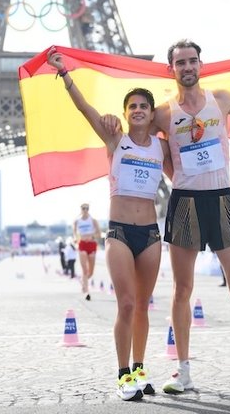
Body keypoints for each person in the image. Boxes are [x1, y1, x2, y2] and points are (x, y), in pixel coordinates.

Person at [101, 39, 230, 397]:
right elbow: (135, 135)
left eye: (192, 61)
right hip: (185, 201)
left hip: (221, 199)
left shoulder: (222, 100)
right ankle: (184, 371)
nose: (187, 67)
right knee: (182, 290)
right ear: (171, 70)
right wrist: (112, 122)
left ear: (201, 65)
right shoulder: (163, 114)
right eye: (180, 63)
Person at [47, 46, 172, 402]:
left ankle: (140, 367)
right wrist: (65, 75)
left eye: (143, 107)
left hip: (150, 233)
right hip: (118, 231)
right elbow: (86, 109)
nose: (137, 110)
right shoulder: (115, 139)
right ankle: (122, 373)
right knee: (127, 304)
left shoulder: (161, 149)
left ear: (151, 114)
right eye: (131, 106)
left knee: (144, 306)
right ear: (125, 113)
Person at [73, 202, 101, 301]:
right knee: (84, 270)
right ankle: (86, 291)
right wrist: (76, 239)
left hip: (92, 245)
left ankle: (84, 282)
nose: (85, 210)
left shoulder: (93, 220)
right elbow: (74, 233)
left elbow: (99, 233)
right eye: (83, 208)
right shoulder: (77, 221)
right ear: (80, 209)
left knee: (91, 272)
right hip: (82, 245)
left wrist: (92, 236)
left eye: (87, 208)